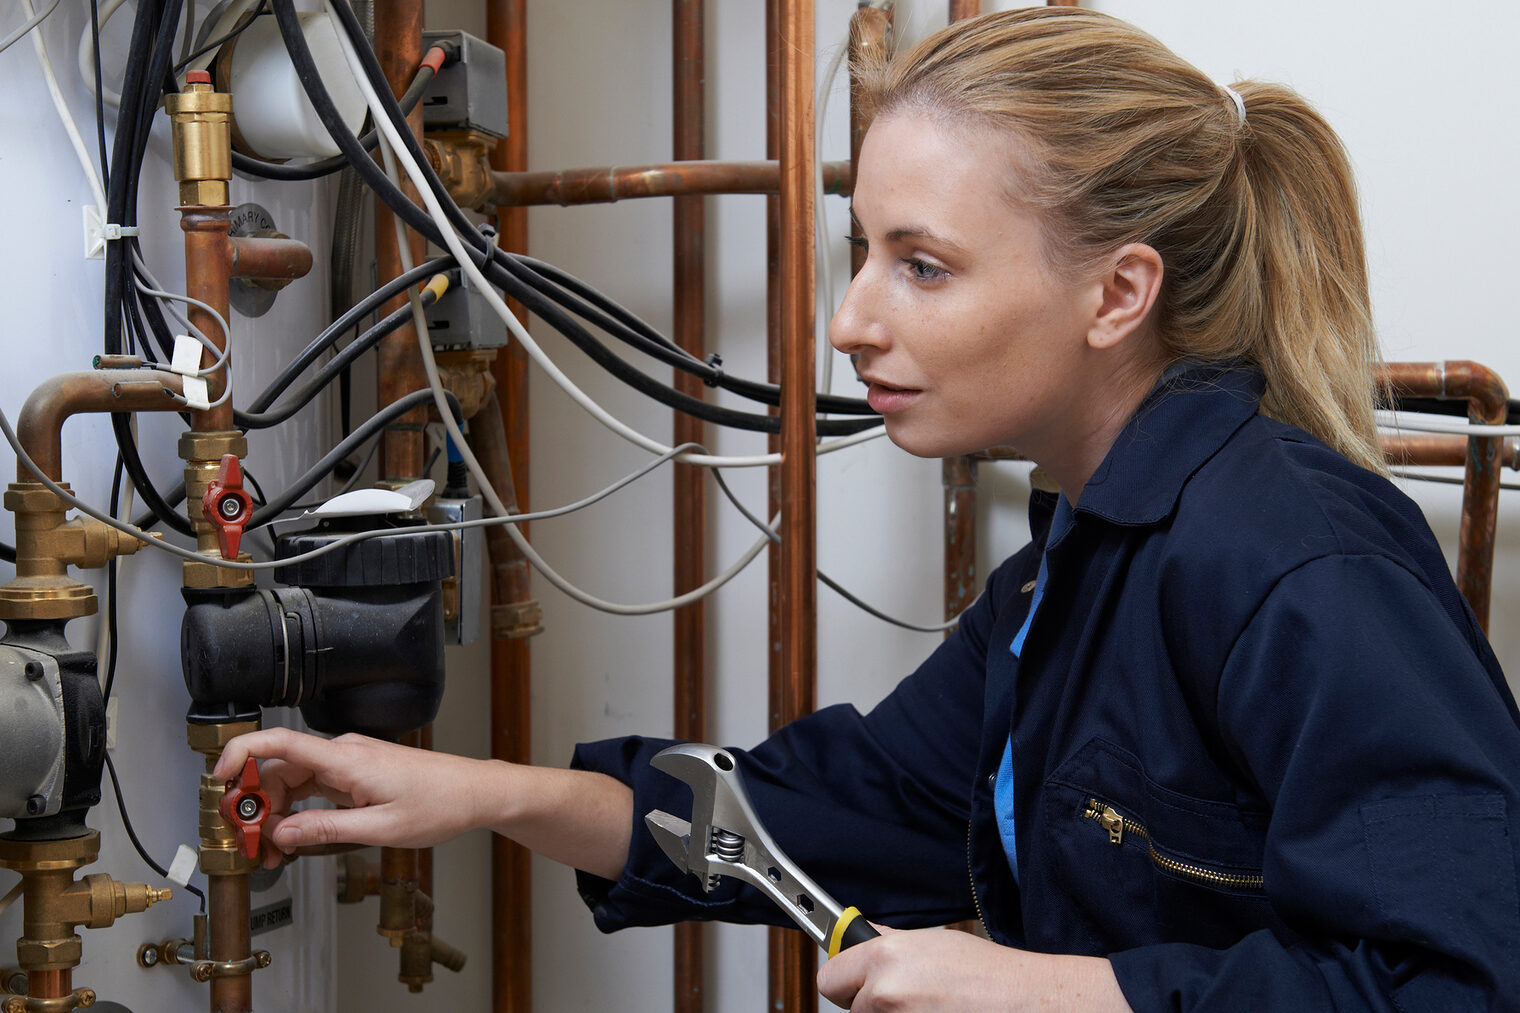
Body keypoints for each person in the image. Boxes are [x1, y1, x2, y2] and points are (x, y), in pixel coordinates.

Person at [216, 8, 1520, 1011]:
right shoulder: (1071, 573)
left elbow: (1465, 980)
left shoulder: (1301, 562)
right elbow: (832, 812)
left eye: (925, 265)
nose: (851, 322)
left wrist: (1064, 988)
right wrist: (472, 788)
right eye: (861, 250)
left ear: (1119, 295)